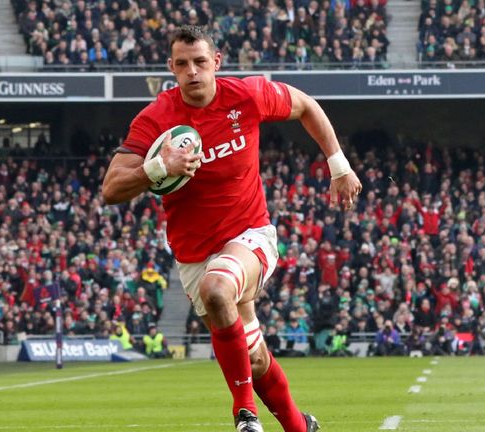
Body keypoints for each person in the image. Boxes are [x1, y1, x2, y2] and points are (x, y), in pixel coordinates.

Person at [102, 25, 361, 432]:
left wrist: (339, 166)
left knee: (217, 288)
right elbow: (111, 188)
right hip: (193, 252)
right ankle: (300, 427)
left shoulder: (247, 95)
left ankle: (245, 415)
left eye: (201, 62)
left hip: (251, 235)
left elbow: (306, 105)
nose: (193, 72)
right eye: (183, 64)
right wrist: (157, 167)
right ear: (171, 67)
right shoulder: (156, 119)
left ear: (216, 63)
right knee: (253, 357)